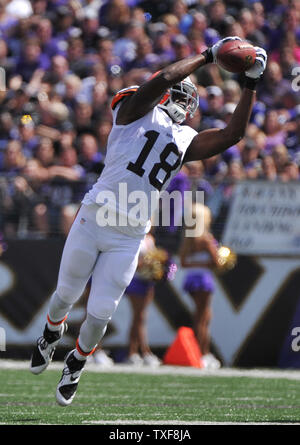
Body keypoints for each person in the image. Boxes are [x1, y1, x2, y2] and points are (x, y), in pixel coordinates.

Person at [30, 36, 267, 406]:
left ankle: (76, 362)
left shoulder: (185, 137)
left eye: (189, 95)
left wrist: (251, 82)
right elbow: (162, 78)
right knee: (66, 294)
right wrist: (207, 55)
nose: (184, 99)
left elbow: (232, 135)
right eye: (179, 91)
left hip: (130, 235)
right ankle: (50, 331)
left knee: (100, 313)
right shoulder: (133, 111)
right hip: (95, 218)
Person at [180, 203, 221, 369]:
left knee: (201, 317)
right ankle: (202, 354)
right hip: (203, 279)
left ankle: (202, 352)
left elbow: (183, 263)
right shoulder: (206, 239)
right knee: (203, 319)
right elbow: (217, 262)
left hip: (191, 279)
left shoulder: (188, 239)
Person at [125, 232, 161, 367]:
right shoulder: (132, 235)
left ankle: (137, 352)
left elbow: (153, 257)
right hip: (135, 280)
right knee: (138, 316)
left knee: (141, 317)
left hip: (147, 281)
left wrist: (156, 266)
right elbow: (130, 259)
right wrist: (143, 264)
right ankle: (138, 352)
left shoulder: (150, 238)